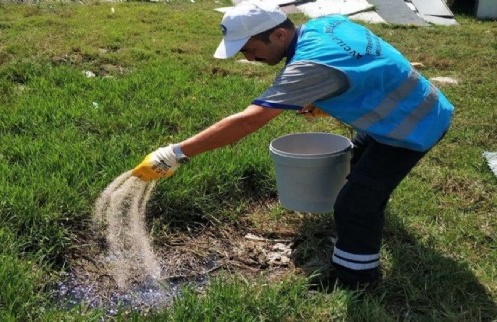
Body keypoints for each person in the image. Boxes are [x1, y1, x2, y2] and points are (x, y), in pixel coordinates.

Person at [132, 0, 454, 288]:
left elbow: (249, 120)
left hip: (410, 129)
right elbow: (362, 63)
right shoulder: (324, 25)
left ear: (279, 35)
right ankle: (359, 224)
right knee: (358, 170)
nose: (247, 57)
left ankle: (356, 280)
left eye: (248, 48)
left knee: (355, 205)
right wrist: (323, 94)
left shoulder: (308, 67)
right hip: (418, 104)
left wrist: (174, 153)